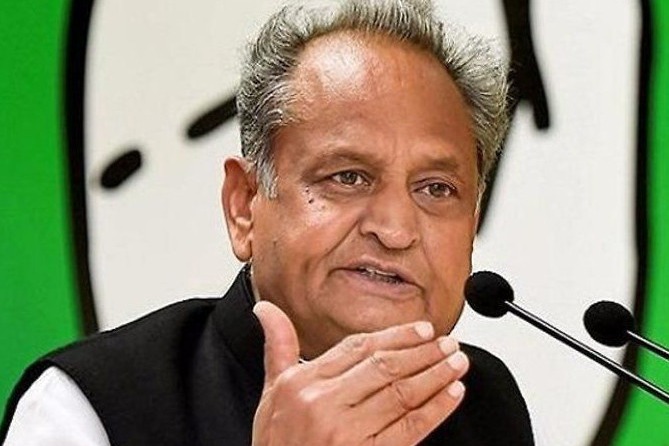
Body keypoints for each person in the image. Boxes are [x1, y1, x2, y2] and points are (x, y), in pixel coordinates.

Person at [1, 0, 534, 444]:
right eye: (348, 177)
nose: (395, 230)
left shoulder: (481, 401)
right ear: (244, 205)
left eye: (436, 189)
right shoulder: (88, 408)